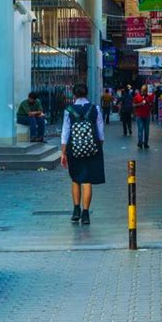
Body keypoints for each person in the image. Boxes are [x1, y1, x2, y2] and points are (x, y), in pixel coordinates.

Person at [60, 82, 105, 225]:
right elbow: (100, 132)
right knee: (87, 180)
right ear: (86, 93)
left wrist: (63, 152)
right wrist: (97, 147)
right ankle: (86, 214)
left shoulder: (68, 110)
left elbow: (65, 132)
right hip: (92, 149)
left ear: (74, 94)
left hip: (74, 149)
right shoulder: (95, 108)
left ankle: (76, 210)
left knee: (75, 179)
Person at [133, 84, 153, 149]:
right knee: (140, 130)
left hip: (147, 115)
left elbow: (151, 105)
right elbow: (134, 105)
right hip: (139, 116)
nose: (144, 92)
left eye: (145, 90)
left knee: (146, 130)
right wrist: (140, 104)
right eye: (143, 90)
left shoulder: (149, 97)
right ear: (141, 90)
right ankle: (140, 142)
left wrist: (150, 106)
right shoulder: (137, 97)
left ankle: (146, 143)